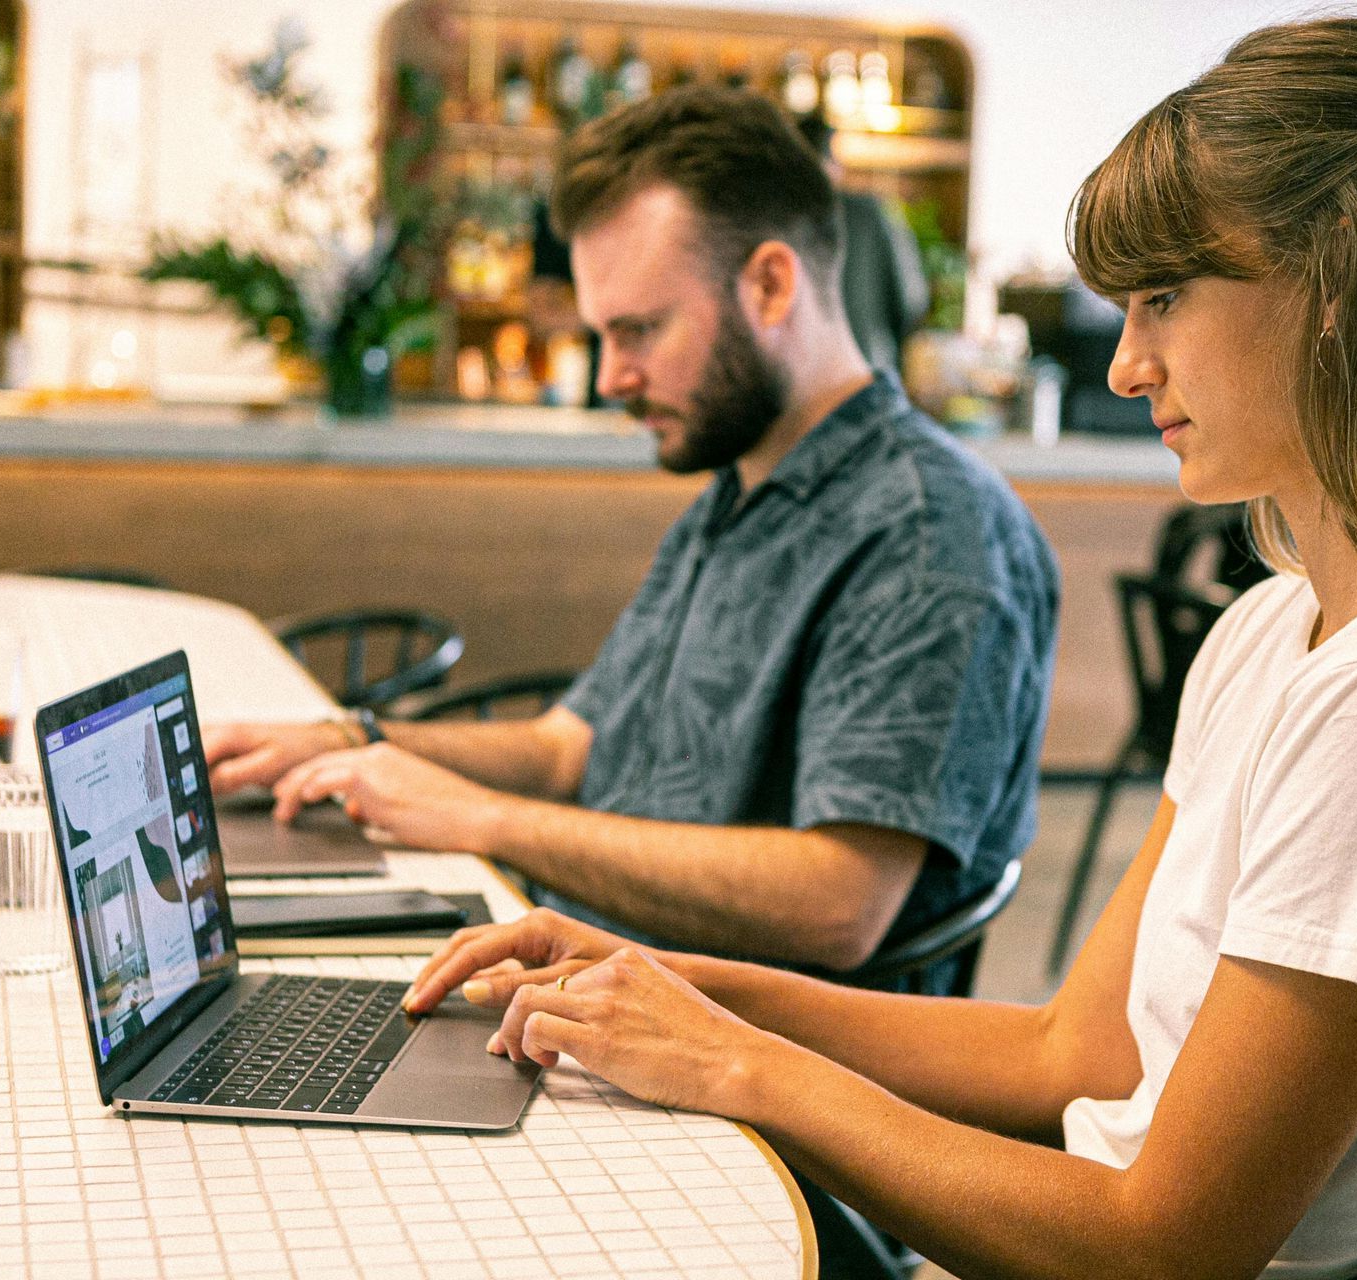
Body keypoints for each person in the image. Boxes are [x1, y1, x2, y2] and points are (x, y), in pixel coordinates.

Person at [398, 18, 1357, 1278]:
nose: (1131, 362)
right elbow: (1067, 1057)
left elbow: (1165, 1246)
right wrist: (668, 980)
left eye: (1164, 298)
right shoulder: (1281, 627)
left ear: (1340, 293)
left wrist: (736, 1062)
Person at [206, 86, 1059, 991]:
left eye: (641, 329)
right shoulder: (741, 487)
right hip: (590, 979)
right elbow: (570, 748)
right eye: (602, 335)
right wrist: (353, 742)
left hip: (746, 1069)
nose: (612, 376)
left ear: (771, 283)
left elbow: (839, 904)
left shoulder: (928, 534)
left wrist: (487, 821)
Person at [795, 113, 931, 373]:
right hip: (868, 371)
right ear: (834, 163)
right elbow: (912, 298)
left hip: (799, 384)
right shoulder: (871, 212)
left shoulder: (775, 217)